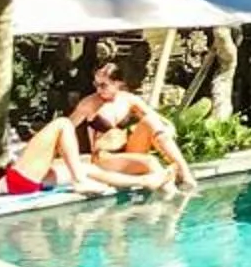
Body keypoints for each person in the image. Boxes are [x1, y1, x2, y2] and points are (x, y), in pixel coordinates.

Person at [69, 54, 197, 193]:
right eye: (96, 84)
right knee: (151, 162)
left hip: (128, 152)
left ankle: (185, 173)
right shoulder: (89, 104)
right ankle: (172, 197)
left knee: (149, 121)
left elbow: (156, 119)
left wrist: (168, 129)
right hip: (105, 158)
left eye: (103, 85)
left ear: (118, 83)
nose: (98, 90)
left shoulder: (129, 100)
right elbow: (66, 127)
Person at [0, 114, 111, 200]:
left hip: (20, 180)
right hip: (17, 180)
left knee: (88, 168)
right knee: (63, 123)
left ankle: (129, 182)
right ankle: (80, 180)